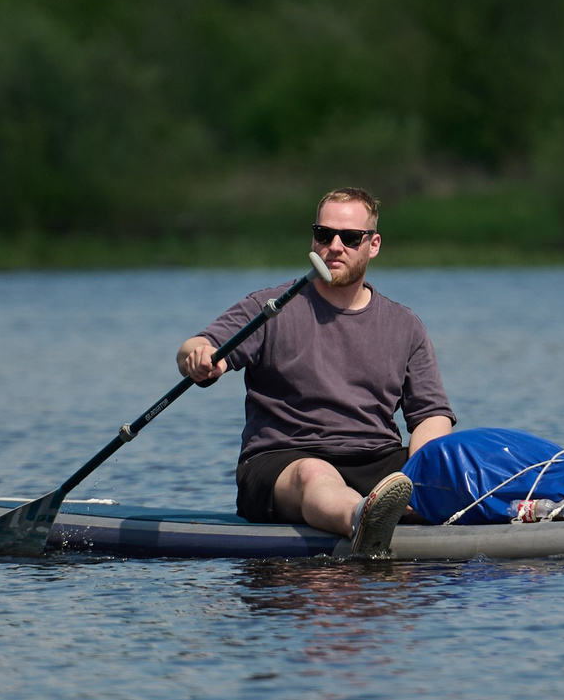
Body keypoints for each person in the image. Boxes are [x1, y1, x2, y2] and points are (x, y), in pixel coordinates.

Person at [180, 188, 455, 556]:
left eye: (350, 237)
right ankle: (362, 519)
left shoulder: (405, 325)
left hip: (374, 460)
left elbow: (431, 416)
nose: (335, 246)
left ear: (373, 245)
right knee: (315, 472)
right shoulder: (272, 309)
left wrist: (426, 475)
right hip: (283, 461)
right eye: (324, 235)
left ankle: (536, 509)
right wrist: (199, 358)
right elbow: (198, 346)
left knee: (464, 458)